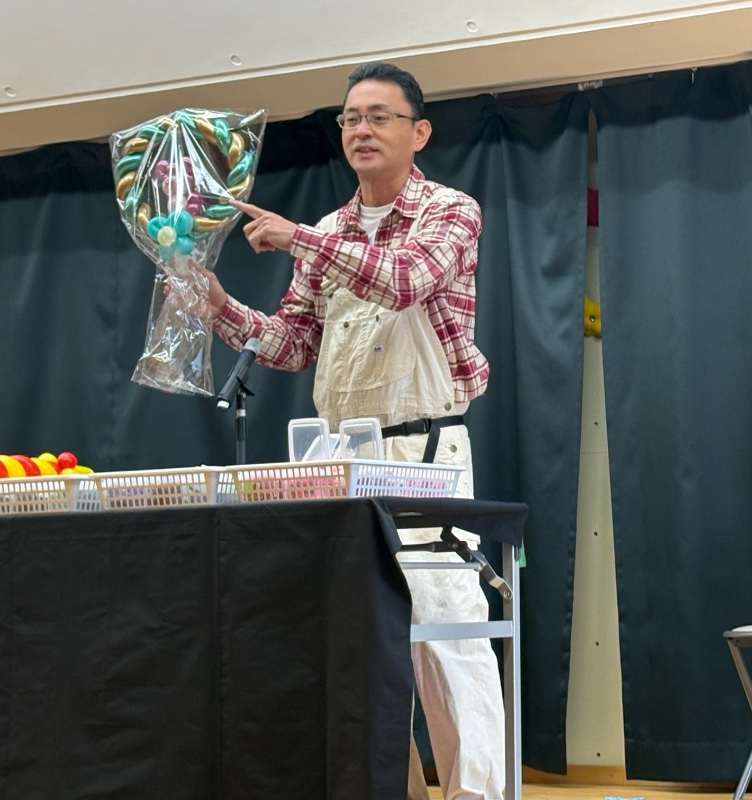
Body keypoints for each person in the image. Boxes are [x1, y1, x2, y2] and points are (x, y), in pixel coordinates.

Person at [204, 61, 506, 800]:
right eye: (349, 119)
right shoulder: (330, 231)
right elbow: (293, 343)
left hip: (424, 450)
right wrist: (217, 306)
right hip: (342, 456)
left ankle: (475, 795)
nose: (360, 130)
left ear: (418, 132)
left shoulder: (450, 210)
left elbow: (404, 281)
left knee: (447, 637)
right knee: (360, 641)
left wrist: (300, 240)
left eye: (378, 116)